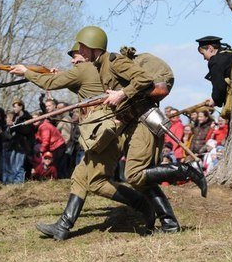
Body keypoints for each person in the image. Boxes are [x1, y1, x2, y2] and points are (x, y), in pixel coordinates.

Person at [10, 42, 154, 240]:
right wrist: (56, 75)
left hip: (105, 135)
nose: (73, 60)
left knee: (96, 183)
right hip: (102, 133)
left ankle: (144, 205)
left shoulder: (85, 68)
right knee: (79, 177)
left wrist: (26, 71)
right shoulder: (93, 69)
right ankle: (63, 226)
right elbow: (83, 89)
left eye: (76, 55)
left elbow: (50, 84)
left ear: (88, 53)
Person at [75, 26, 206, 233]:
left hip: (144, 121)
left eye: (82, 48)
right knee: (143, 178)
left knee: (134, 174)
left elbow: (143, 80)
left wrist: (121, 94)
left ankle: (187, 170)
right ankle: (169, 224)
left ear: (93, 46)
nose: (79, 52)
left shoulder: (114, 61)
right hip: (132, 122)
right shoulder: (101, 66)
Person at [195, 36, 232, 115]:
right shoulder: (230, 54)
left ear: (210, 48)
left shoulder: (215, 61)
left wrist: (215, 99)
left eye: (203, 54)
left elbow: (219, 85)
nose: (204, 58)